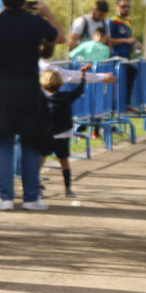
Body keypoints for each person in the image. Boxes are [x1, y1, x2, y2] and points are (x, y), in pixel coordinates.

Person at [0, 0, 65, 211]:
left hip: (2, 89)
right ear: (25, 0)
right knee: (30, 142)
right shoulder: (35, 22)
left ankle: (5, 197)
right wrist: (47, 13)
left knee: (4, 141)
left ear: (5, 0)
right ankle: (31, 197)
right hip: (27, 89)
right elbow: (61, 37)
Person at [41, 66, 89, 198]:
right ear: (61, 84)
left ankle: (35, 185)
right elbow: (79, 90)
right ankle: (67, 188)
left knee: (40, 160)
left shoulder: (41, 99)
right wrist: (82, 75)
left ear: (43, 84)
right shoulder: (66, 97)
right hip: (62, 135)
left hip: (46, 134)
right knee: (64, 162)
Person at [108, 0, 138, 110]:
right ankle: (115, 105)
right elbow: (109, 40)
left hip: (127, 57)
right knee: (128, 74)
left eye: (128, 7)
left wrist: (135, 43)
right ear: (117, 6)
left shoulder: (128, 22)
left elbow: (128, 38)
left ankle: (125, 104)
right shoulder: (112, 21)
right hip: (115, 57)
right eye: (123, 6)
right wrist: (126, 40)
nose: (126, 9)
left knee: (129, 76)